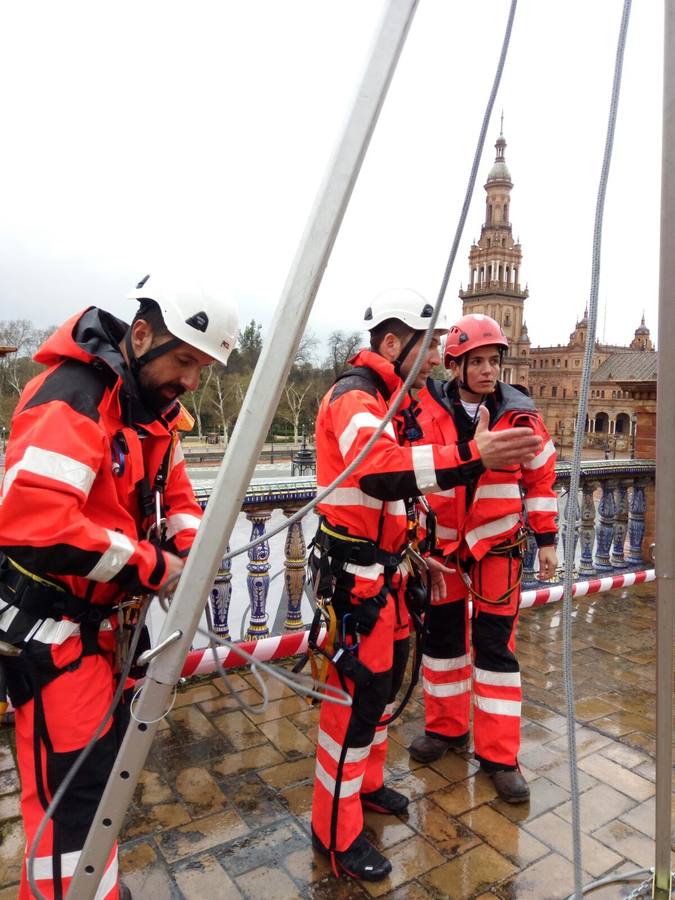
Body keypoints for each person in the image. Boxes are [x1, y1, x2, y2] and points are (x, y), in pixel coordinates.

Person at [0, 273, 238, 900]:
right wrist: (158, 569)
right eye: (184, 360)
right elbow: (36, 526)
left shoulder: (153, 413)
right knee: (71, 796)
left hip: (100, 633)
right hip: (55, 632)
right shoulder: (74, 396)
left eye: (203, 369)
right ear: (140, 335)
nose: (191, 380)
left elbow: (179, 498)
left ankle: (93, 885)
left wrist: (188, 547)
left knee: (97, 781)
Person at [309, 291, 544, 881]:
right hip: (360, 579)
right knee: (353, 706)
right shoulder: (357, 397)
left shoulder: (394, 399)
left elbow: (407, 491)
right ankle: (335, 836)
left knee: (382, 691)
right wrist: (474, 454)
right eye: (430, 344)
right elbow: (381, 472)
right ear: (393, 344)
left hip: (402, 571)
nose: (439, 355)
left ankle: (365, 787)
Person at [408, 313, 558, 803]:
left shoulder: (521, 415)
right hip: (444, 550)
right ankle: (446, 728)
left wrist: (548, 539)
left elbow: (539, 480)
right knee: (443, 644)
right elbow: (407, 474)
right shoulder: (426, 412)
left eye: (494, 361)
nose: (489, 370)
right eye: (478, 362)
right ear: (456, 364)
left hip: (498, 548)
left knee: (495, 653)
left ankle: (499, 756)